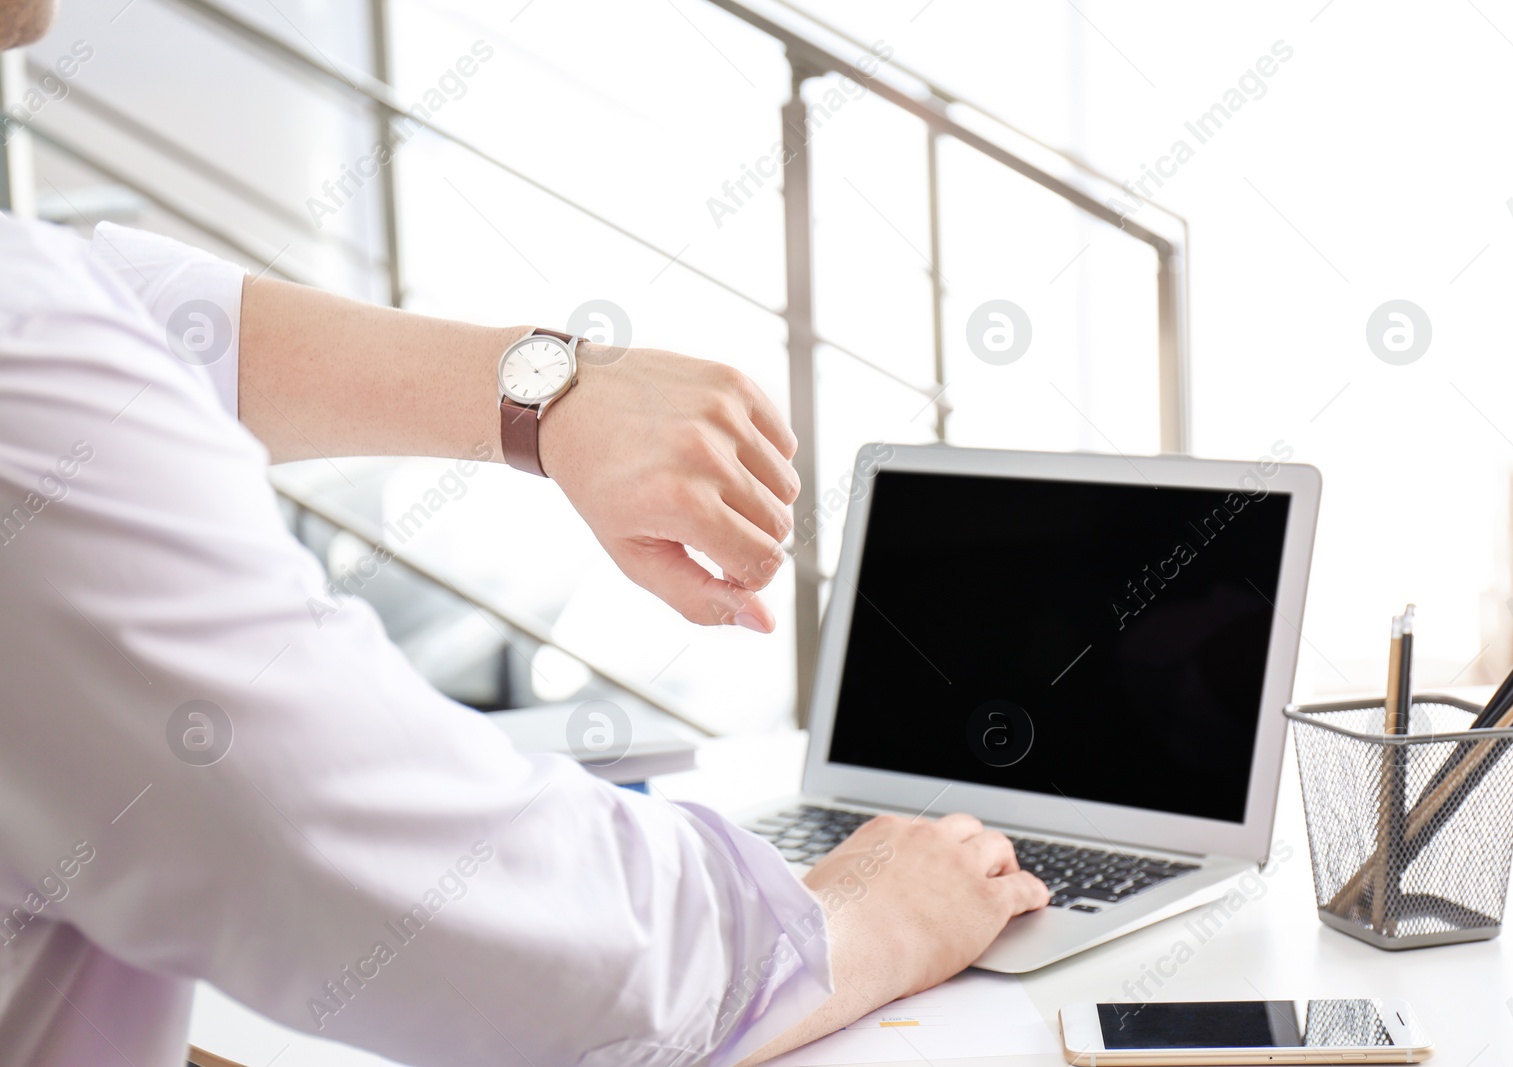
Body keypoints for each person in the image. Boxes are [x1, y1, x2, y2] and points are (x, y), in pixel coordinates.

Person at [0, 3, 1049, 1064]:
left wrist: (547, 391)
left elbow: (135, 315)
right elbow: (527, 955)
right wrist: (865, 918)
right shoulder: (34, 391)